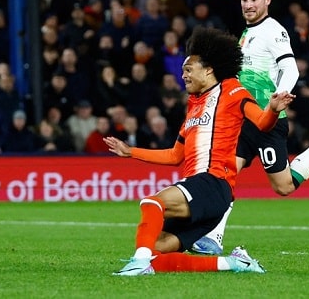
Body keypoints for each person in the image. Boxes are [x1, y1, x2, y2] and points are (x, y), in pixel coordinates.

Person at [103, 27, 295, 276]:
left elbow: (261, 123)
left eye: (188, 69)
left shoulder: (232, 91)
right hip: (202, 190)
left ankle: (137, 264)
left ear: (208, 70)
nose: (183, 75)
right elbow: (174, 156)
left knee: (152, 202)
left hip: (213, 182)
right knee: (156, 254)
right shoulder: (194, 108)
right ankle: (234, 263)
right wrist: (131, 152)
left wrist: (272, 109)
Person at [191, 0, 309, 255]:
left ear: (267, 0)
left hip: (268, 122)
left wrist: (278, 99)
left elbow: (290, 68)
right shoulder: (247, 33)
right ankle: (213, 237)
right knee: (225, 172)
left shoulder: (273, 30)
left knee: (284, 187)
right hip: (245, 119)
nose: (248, 4)